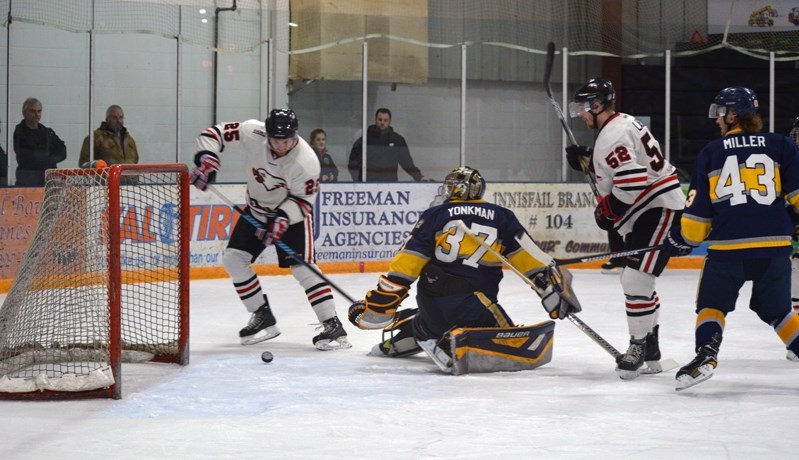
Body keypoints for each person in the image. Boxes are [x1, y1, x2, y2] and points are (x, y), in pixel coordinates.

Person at [347, 166, 582, 374]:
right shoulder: (502, 217)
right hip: (473, 307)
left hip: (431, 304)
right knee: (510, 338)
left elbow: (407, 262)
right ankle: (451, 341)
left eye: (452, 187)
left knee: (431, 315)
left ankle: (419, 331)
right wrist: (550, 287)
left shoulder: (434, 215)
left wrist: (380, 304)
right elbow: (529, 259)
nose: (447, 192)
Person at [664, 87, 799, 390]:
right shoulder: (780, 145)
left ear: (732, 115)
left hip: (729, 248)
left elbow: (697, 223)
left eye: (720, 114)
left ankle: (706, 356)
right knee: (779, 311)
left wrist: (680, 238)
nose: (717, 121)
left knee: (712, 304)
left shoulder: (711, 152)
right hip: (775, 246)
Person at [190, 108, 351, 350]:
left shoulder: (306, 161)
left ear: (295, 135)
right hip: (256, 211)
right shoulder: (252, 132)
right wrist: (207, 158)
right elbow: (215, 133)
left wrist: (281, 219)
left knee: (303, 270)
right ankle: (262, 315)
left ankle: (332, 324)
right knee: (234, 259)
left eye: (286, 139)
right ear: (267, 133)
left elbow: (303, 201)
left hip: (291, 217)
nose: (281, 144)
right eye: (276, 138)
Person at [565, 78, 685, 380]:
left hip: (657, 207)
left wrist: (607, 212)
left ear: (597, 105)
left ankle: (639, 345)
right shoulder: (620, 125)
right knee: (638, 282)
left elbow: (630, 185)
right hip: (649, 209)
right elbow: (626, 168)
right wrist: (590, 162)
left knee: (634, 280)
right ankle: (652, 346)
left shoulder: (612, 135)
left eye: (583, 107)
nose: (579, 113)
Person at [347, 108, 431, 182]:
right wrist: (358, 181)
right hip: (369, 185)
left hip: (390, 185)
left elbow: (407, 162)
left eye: (385, 120)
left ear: (389, 121)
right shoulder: (365, 140)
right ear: (375, 120)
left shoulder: (397, 140)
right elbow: (353, 163)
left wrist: (419, 177)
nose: (382, 122)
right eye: (380, 119)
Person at [12, 98, 67, 186]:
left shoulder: (47, 132)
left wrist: (48, 158)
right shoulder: (20, 132)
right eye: (33, 111)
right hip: (28, 180)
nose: (37, 114)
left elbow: (62, 151)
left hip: (49, 179)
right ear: (24, 113)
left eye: (39, 111)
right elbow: (32, 156)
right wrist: (50, 156)